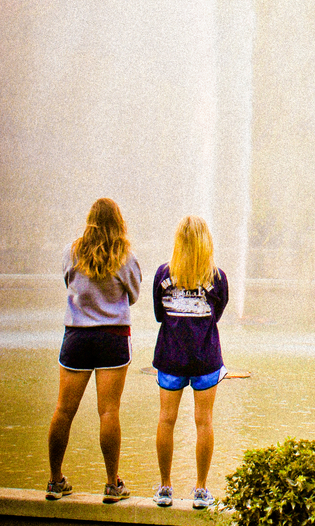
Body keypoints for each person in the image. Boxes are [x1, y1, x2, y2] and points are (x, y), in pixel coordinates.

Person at [47, 198, 141, 503]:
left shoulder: (72, 252)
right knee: (109, 411)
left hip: (76, 336)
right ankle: (112, 485)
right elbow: (135, 294)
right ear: (118, 221)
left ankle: (55, 480)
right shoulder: (124, 256)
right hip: (112, 337)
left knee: (63, 409)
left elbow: (68, 282)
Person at [152, 216, 228, 509]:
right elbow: (216, 314)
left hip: (170, 357)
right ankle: (200, 489)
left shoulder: (163, 274)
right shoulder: (217, 277)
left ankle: (165, 487)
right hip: (205, 358)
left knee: (166, 420)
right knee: (204, 421)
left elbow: (160, 315)